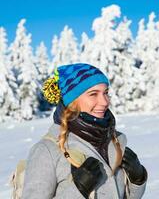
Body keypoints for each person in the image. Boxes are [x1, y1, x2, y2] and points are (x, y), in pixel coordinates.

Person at [22, 63, 147, 199]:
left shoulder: (115, 142)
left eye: (105, 93)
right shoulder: (47, 150)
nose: (105, 102)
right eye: (93, 94)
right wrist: (78, 190)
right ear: (72, 101)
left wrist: (137, 181)